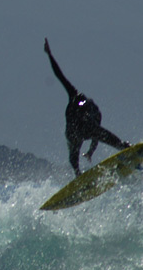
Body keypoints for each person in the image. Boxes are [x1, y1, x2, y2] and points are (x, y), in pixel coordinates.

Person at [44, 38, 130, 175]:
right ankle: (78, 175)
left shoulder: (94, 113)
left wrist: (90, 152)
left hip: (84, 129)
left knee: (109, 138)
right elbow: (59, 75)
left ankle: (126, 148)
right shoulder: (75, 96)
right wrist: (50, 55)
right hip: (74, 133)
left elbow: (98, 136)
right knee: (73, 159)